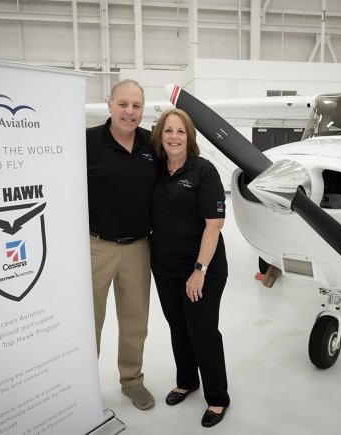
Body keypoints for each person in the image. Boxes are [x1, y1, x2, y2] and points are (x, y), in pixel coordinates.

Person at [150, 108, 230, 428]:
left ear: (190, 136)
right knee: (178, 326)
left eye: (180, 131)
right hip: (165, 266)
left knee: (202, 330)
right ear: (160, 136)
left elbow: (214, 225)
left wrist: (199, 270)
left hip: (202, 267)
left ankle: (218, 398)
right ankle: (187, 381)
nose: (173, 137)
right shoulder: (155, 170)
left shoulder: (204, 171)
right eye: (168, 131)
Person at [86, 79, 157, 410]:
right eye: (124, 104)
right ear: (109, 104)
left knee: (135, 320)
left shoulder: (151, 145)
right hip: (96, 247)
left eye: (137, 106)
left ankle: (132, 380)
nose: (130, 112)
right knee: (89, 322)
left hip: (139, 247)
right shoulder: (87, 142)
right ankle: (83, 387)